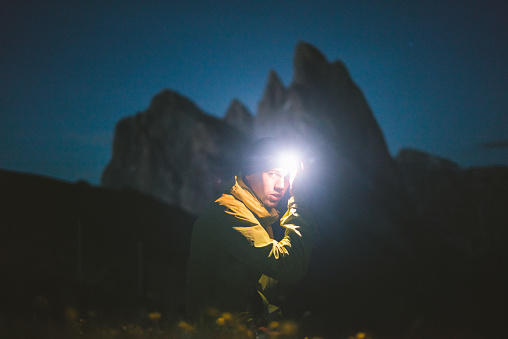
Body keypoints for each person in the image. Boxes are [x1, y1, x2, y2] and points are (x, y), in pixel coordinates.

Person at [185, 137, 317, 329]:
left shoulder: (258, 217)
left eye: (287, 177)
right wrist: (300, 205)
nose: (282, 185)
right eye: (273, 174)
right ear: (249, 173)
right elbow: (288, 266)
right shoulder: (228, 213)